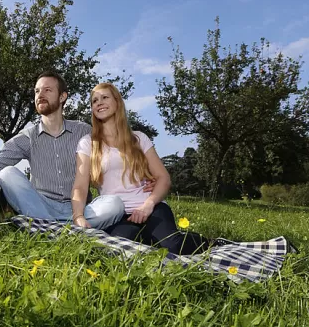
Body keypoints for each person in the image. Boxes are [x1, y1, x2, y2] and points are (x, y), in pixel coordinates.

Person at [0, 70, 152, 229]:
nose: (40, 95)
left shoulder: (83, 131)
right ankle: (64, 228)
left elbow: (116, 153)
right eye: (37, 91)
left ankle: (49, 228)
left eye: (47, 90)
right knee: (7, 173)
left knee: (114, 205)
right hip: (41, 206)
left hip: (80, 208)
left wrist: (144, 178)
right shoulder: (27, 136)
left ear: (62, 97)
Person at [71, 82, 211, 254]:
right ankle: (151, 238)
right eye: (94, 101)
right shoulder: (87, 143)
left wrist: (148, 205)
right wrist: (78, 216)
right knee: (120, 251)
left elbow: (163, 177)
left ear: (117, 102)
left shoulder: (139, 138)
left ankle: (208, 242)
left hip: (149, 207)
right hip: (118, 215)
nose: (99, 102)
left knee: (173, 246)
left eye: (105, 97)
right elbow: (80, 186)